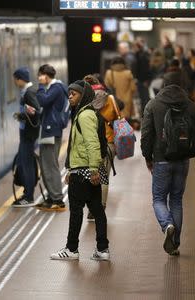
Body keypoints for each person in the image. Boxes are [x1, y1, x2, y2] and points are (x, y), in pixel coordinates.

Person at [141, 70, 195, 256]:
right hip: (182, 160)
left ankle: (167, 225)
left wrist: (148, 157)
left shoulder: (153, 105)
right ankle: (175, 243)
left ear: (163, 84)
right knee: (176, 200)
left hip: (161, 159)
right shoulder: (191, 106)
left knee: (159, 199)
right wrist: (190, 149)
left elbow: (146, 135)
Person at [50, 80, 110, 261]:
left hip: (84, 172)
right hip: (84, 169)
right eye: (69, 93)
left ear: (83, 95)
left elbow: (91, 144)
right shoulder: (88, 113)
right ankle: (102, 249)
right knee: (98, 211)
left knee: (76, 211)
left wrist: (92, 170)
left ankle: (71, 249)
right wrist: (72, 169)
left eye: (73, 94)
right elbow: (79, 147)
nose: (70, 97)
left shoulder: (84, 116)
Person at [83, 75, 120, 221]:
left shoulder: (84, 100)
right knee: (104, 177)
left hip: (89, 144)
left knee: (91, 176)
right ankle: (100, 208)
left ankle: (92, 207)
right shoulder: (110, 99)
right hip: (109, 142)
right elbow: (118, 117)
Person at [35, 64, 68, 211]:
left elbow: (43, 101)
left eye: (40, 75)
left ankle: (58, 199)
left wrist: (41, 86)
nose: (39, 78)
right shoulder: (54, 88)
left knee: (50, 165)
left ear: (46, 76)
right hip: (48, 130)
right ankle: (51, 197)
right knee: (45, 164)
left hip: (51, 131)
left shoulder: (56, 88)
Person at [11, 67, 40, 207]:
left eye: (16, 79)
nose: (15, 82)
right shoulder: (28, 91)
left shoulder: (29, 93)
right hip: (27, 134)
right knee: (25, 163)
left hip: (28, 135)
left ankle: (29, 197)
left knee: (27, 165)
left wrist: (21, 115)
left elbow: (36, 110)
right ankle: (27, 194)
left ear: (20, 79)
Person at [104, 56, 136, 120]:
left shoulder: (109, 73)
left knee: (115, 120)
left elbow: (106, 87)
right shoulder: (128, 73)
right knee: (125, 123)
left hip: (114, 101)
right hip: (126, 102)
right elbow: (133, 88)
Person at [133, 38, 152, 112]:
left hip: (143, 80)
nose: (133, 49)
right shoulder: (139, 55)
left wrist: (146, 80)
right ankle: (144, 114)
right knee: (142, 98)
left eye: (134, 47)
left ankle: (145, 114)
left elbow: (145, 69)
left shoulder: (142, 56)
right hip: (141, 80)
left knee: (144, 98)